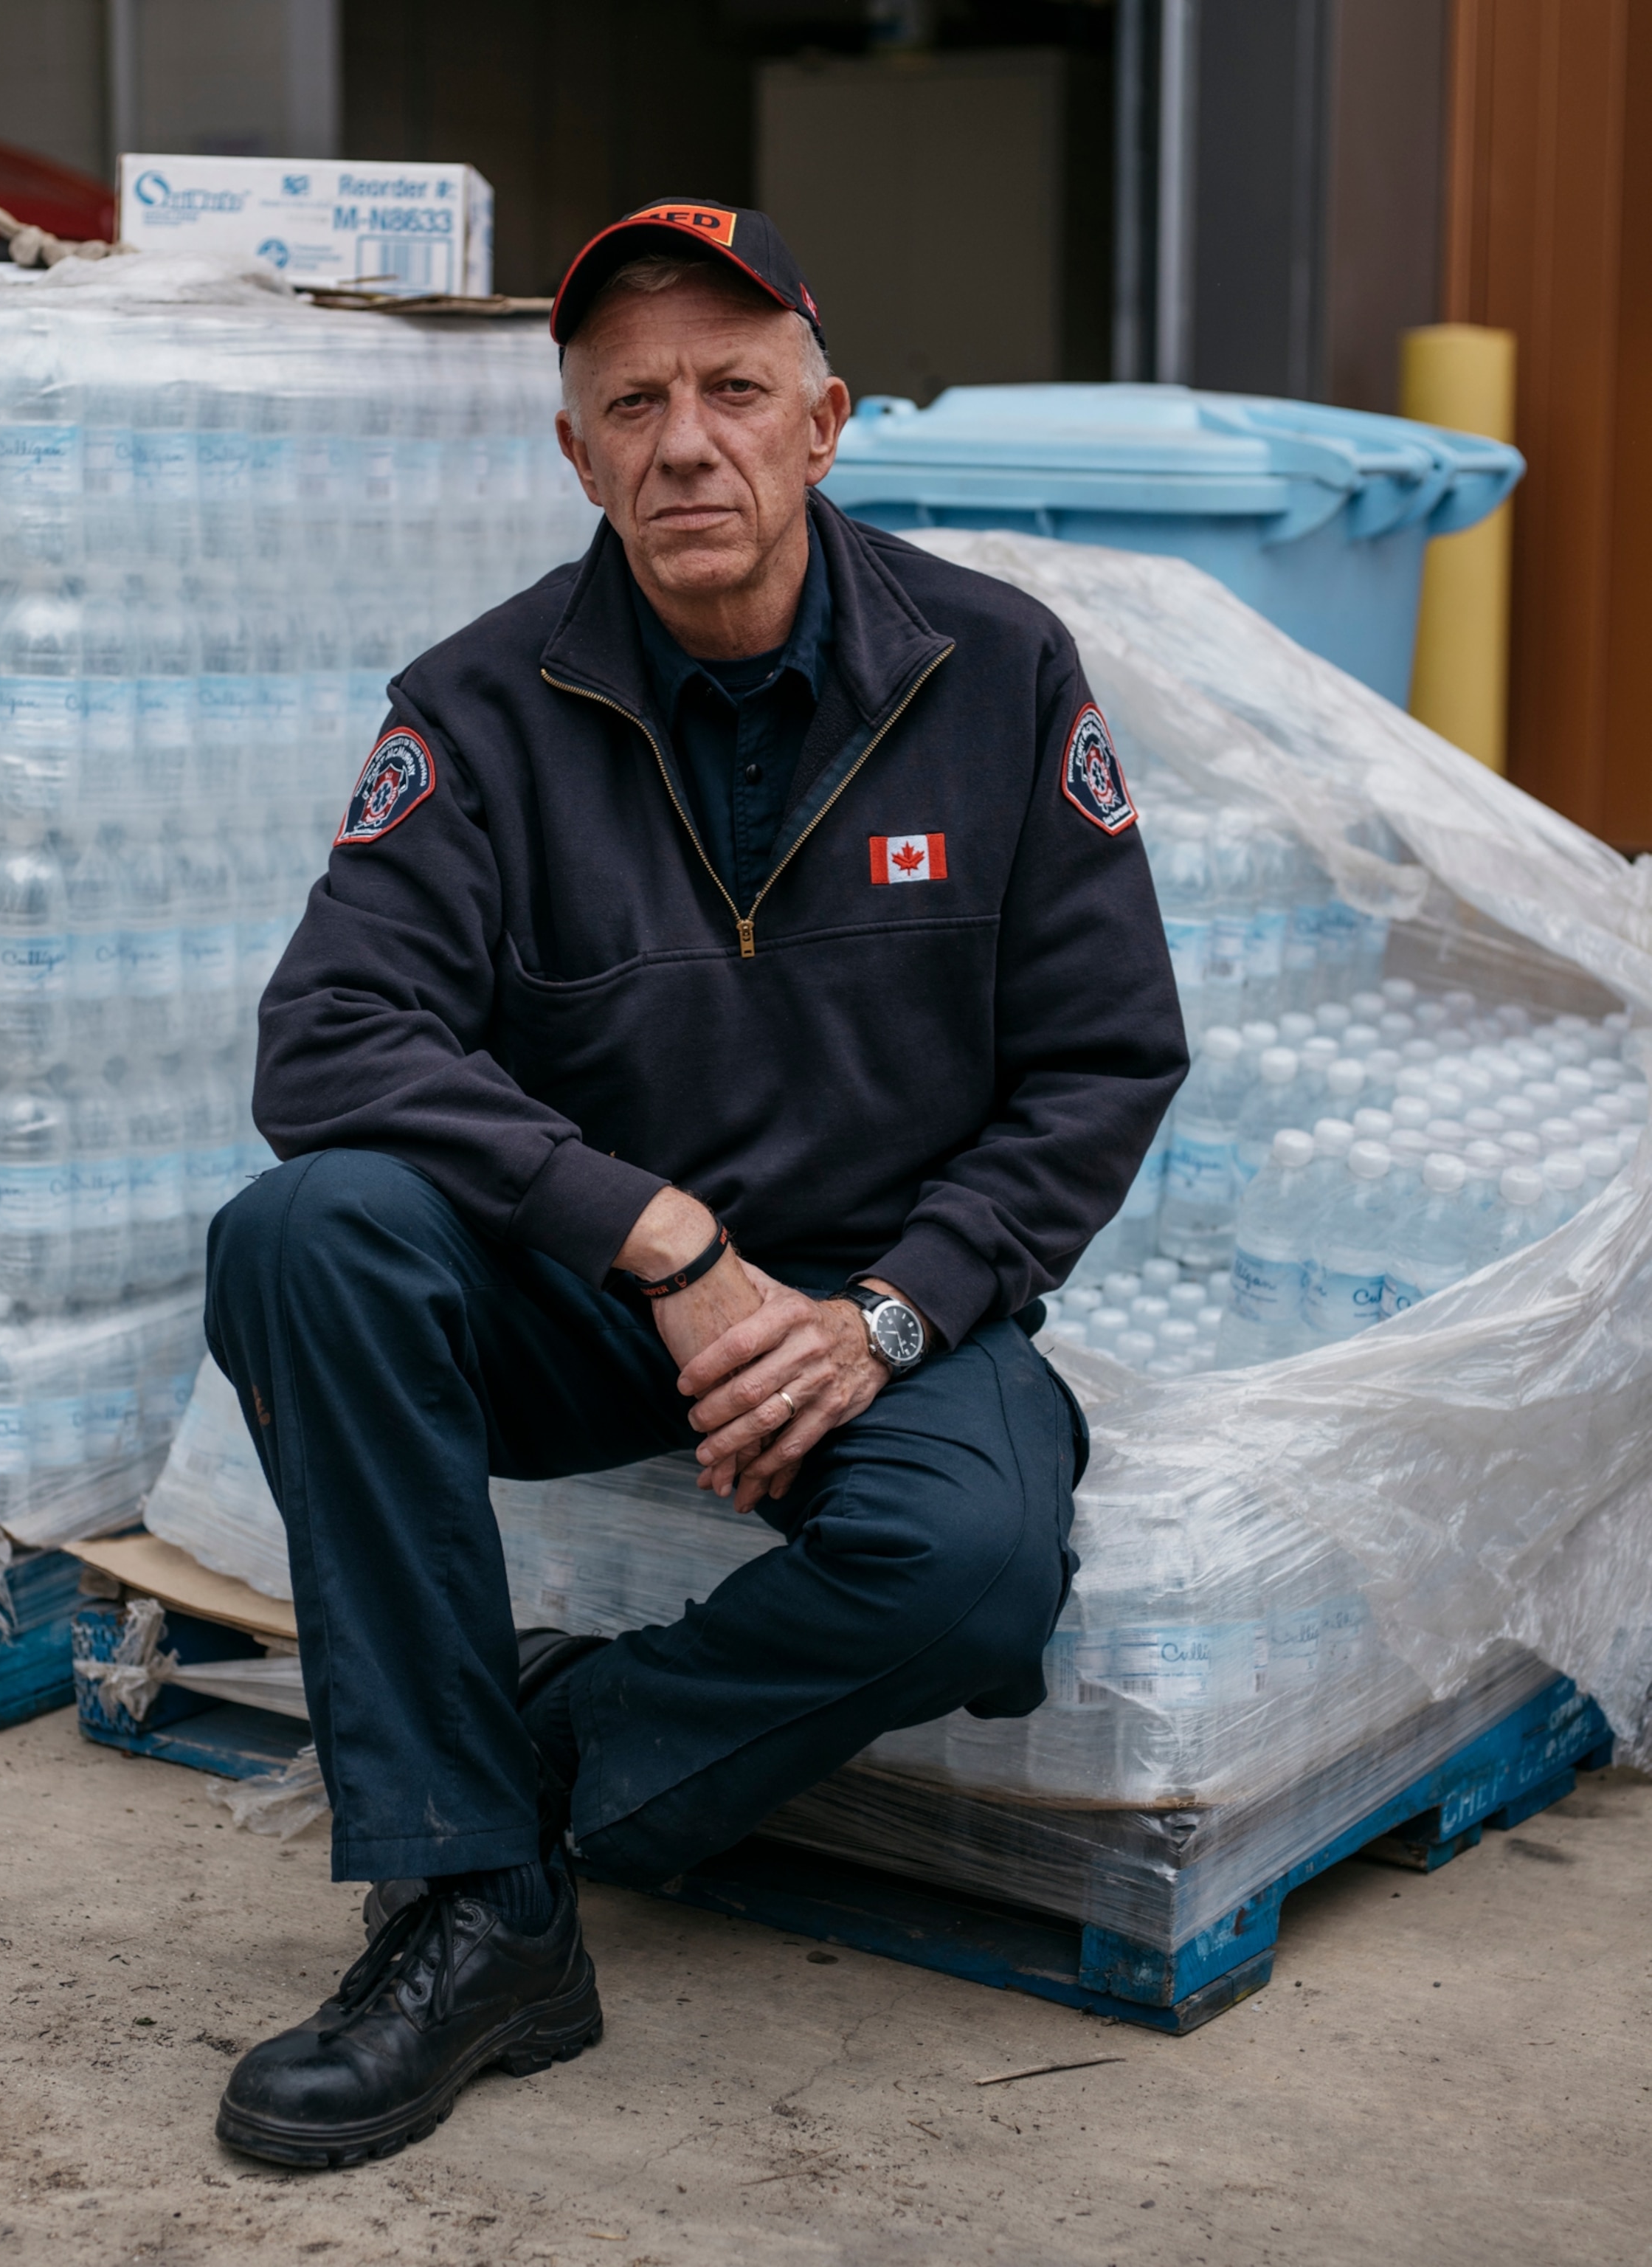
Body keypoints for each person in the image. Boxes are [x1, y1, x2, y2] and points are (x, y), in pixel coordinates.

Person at [203, 199, 1186, 2168]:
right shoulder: (480, 711)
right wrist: (655, 1241)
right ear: (573, 452)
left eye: (733, 391)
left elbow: (1101, 1060)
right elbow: (325, 1046)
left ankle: (533, 1761)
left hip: (876, 1301)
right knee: (307, 1236)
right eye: (630, 401)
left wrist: (888, 1309)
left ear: (822, 426)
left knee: (976, 1577)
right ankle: (469, 1911)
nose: (683, 443)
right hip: (598, 1290)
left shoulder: (994, 674)